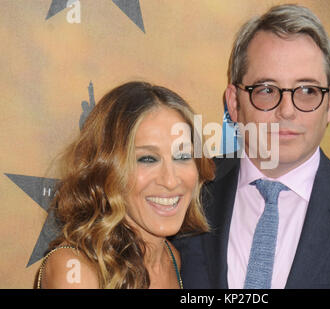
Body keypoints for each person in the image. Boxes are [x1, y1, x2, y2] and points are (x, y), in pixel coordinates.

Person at [174, 4, 330, 288]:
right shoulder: (184, 190)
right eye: (266, 90)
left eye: (307, 91)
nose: (287, 111)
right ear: (234, 102)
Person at [36, 81, 214, 288]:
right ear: (108, 170)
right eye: (147, 159)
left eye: (183, 156)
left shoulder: (172, 258)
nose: (171, 180)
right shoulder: (76, 268)